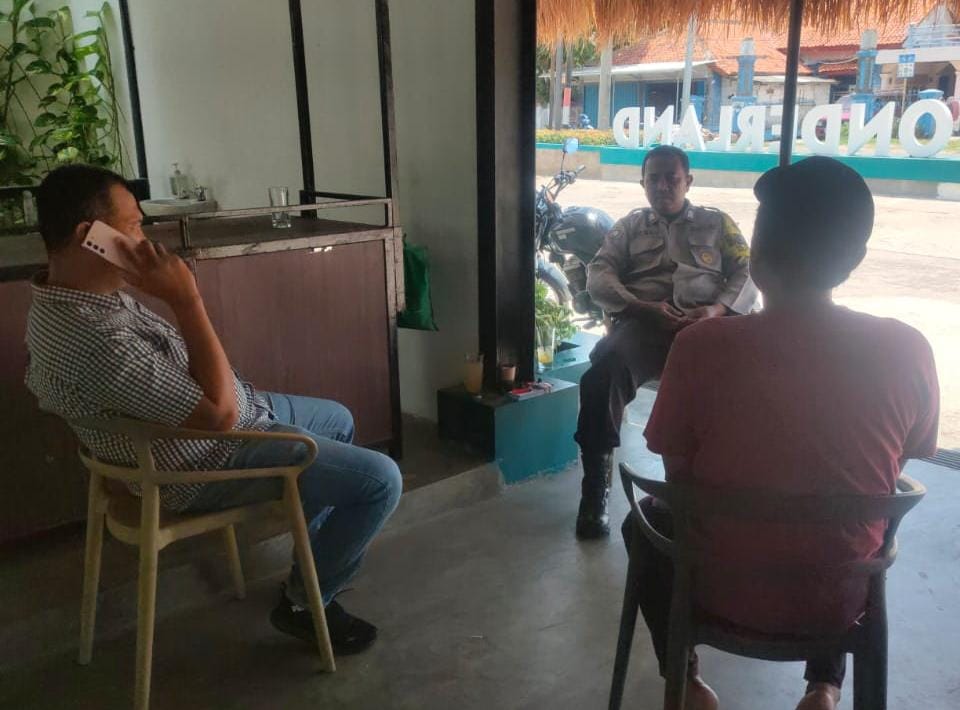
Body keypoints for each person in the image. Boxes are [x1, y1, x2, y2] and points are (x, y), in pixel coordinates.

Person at [25, 164, 403, 655]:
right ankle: (304, 604)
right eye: (133, 225)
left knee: (339, 419)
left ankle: (308, 573)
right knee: (381, 481)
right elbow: (219, 420)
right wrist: (187, 299)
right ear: (88, 236)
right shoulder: (92, 338)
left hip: (232, 417)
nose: (145, 239)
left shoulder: (80, 297)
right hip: (205, 459)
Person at [625, 156, 940, 710]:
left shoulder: (701, 347)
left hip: (718, 589)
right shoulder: (907, 350)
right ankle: (824, 686)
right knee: (848, 518)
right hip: (838, 601)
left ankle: (686, 680)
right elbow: (895, 466)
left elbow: (679, 477)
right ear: (854, 260)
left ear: (757, 253)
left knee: (644, 519)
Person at [575, 145, 758, 539]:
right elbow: (599, 275)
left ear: (687, 181)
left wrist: (717, 310)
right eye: (653, 179)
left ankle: (726, 485)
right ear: (642, 183)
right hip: (645, 325)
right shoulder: (628, 227)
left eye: (671, 178)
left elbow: (749, 269)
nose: (662, 186)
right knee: (602, 374)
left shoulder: (717, 223)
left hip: (706, 325)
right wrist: (639, 306)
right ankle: (595, 491)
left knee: (748, 381)